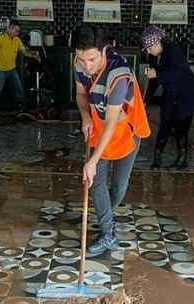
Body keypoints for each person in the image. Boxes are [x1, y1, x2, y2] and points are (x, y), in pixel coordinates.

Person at [72, 25, 150, 255]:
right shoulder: (79, 63)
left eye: (92, 59)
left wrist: (93, 160)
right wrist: (85, 115)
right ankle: (108, 233)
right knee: (95, 182)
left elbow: (112, 121)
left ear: (105, 50)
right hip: (99, 125)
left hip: (126, 130)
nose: (87, 66)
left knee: (118, 186)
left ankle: (104, 215)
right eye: (81, 59)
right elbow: (80, 94)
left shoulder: (119, 74)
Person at [142, 26, 194, 171]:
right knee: (165, 122)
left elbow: (177, 72)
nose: (148, 51)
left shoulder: (174, 50)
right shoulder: (153, 57)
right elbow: (153, 81)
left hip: (187, 95)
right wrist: (145, 101)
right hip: (170, 93)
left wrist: (157, 74)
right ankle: (157, 159)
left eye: (149, 48)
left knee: (181, 127)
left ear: (157, 44)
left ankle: (181, 160)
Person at [0, 20, 41, 115]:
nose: (18, 33)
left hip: (12, 69)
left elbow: (24, 51)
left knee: (19, 89)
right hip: (1, 69)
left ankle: (24, 109)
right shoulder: (2, 38)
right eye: (17, 31)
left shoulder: (17, 40)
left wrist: (33, 55)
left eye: (19, 31)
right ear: (11, 29)